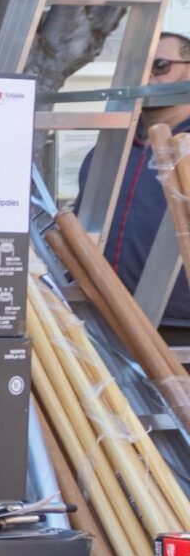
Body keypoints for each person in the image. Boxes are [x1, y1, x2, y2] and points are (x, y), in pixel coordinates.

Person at [76, 31, 190, 335]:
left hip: (180, 324)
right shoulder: (106, 153)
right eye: (140, 68)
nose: (147, 76)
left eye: (161, 65)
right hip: (108, 322)